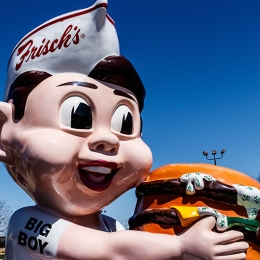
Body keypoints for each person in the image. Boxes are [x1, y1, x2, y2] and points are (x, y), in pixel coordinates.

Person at [1, 1, 248, 259]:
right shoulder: (24, 224)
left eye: (124, 123)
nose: (108, 139)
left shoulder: (113, 227)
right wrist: (182, 246)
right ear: (3, 136)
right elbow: (109, 251)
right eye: (78, 116)